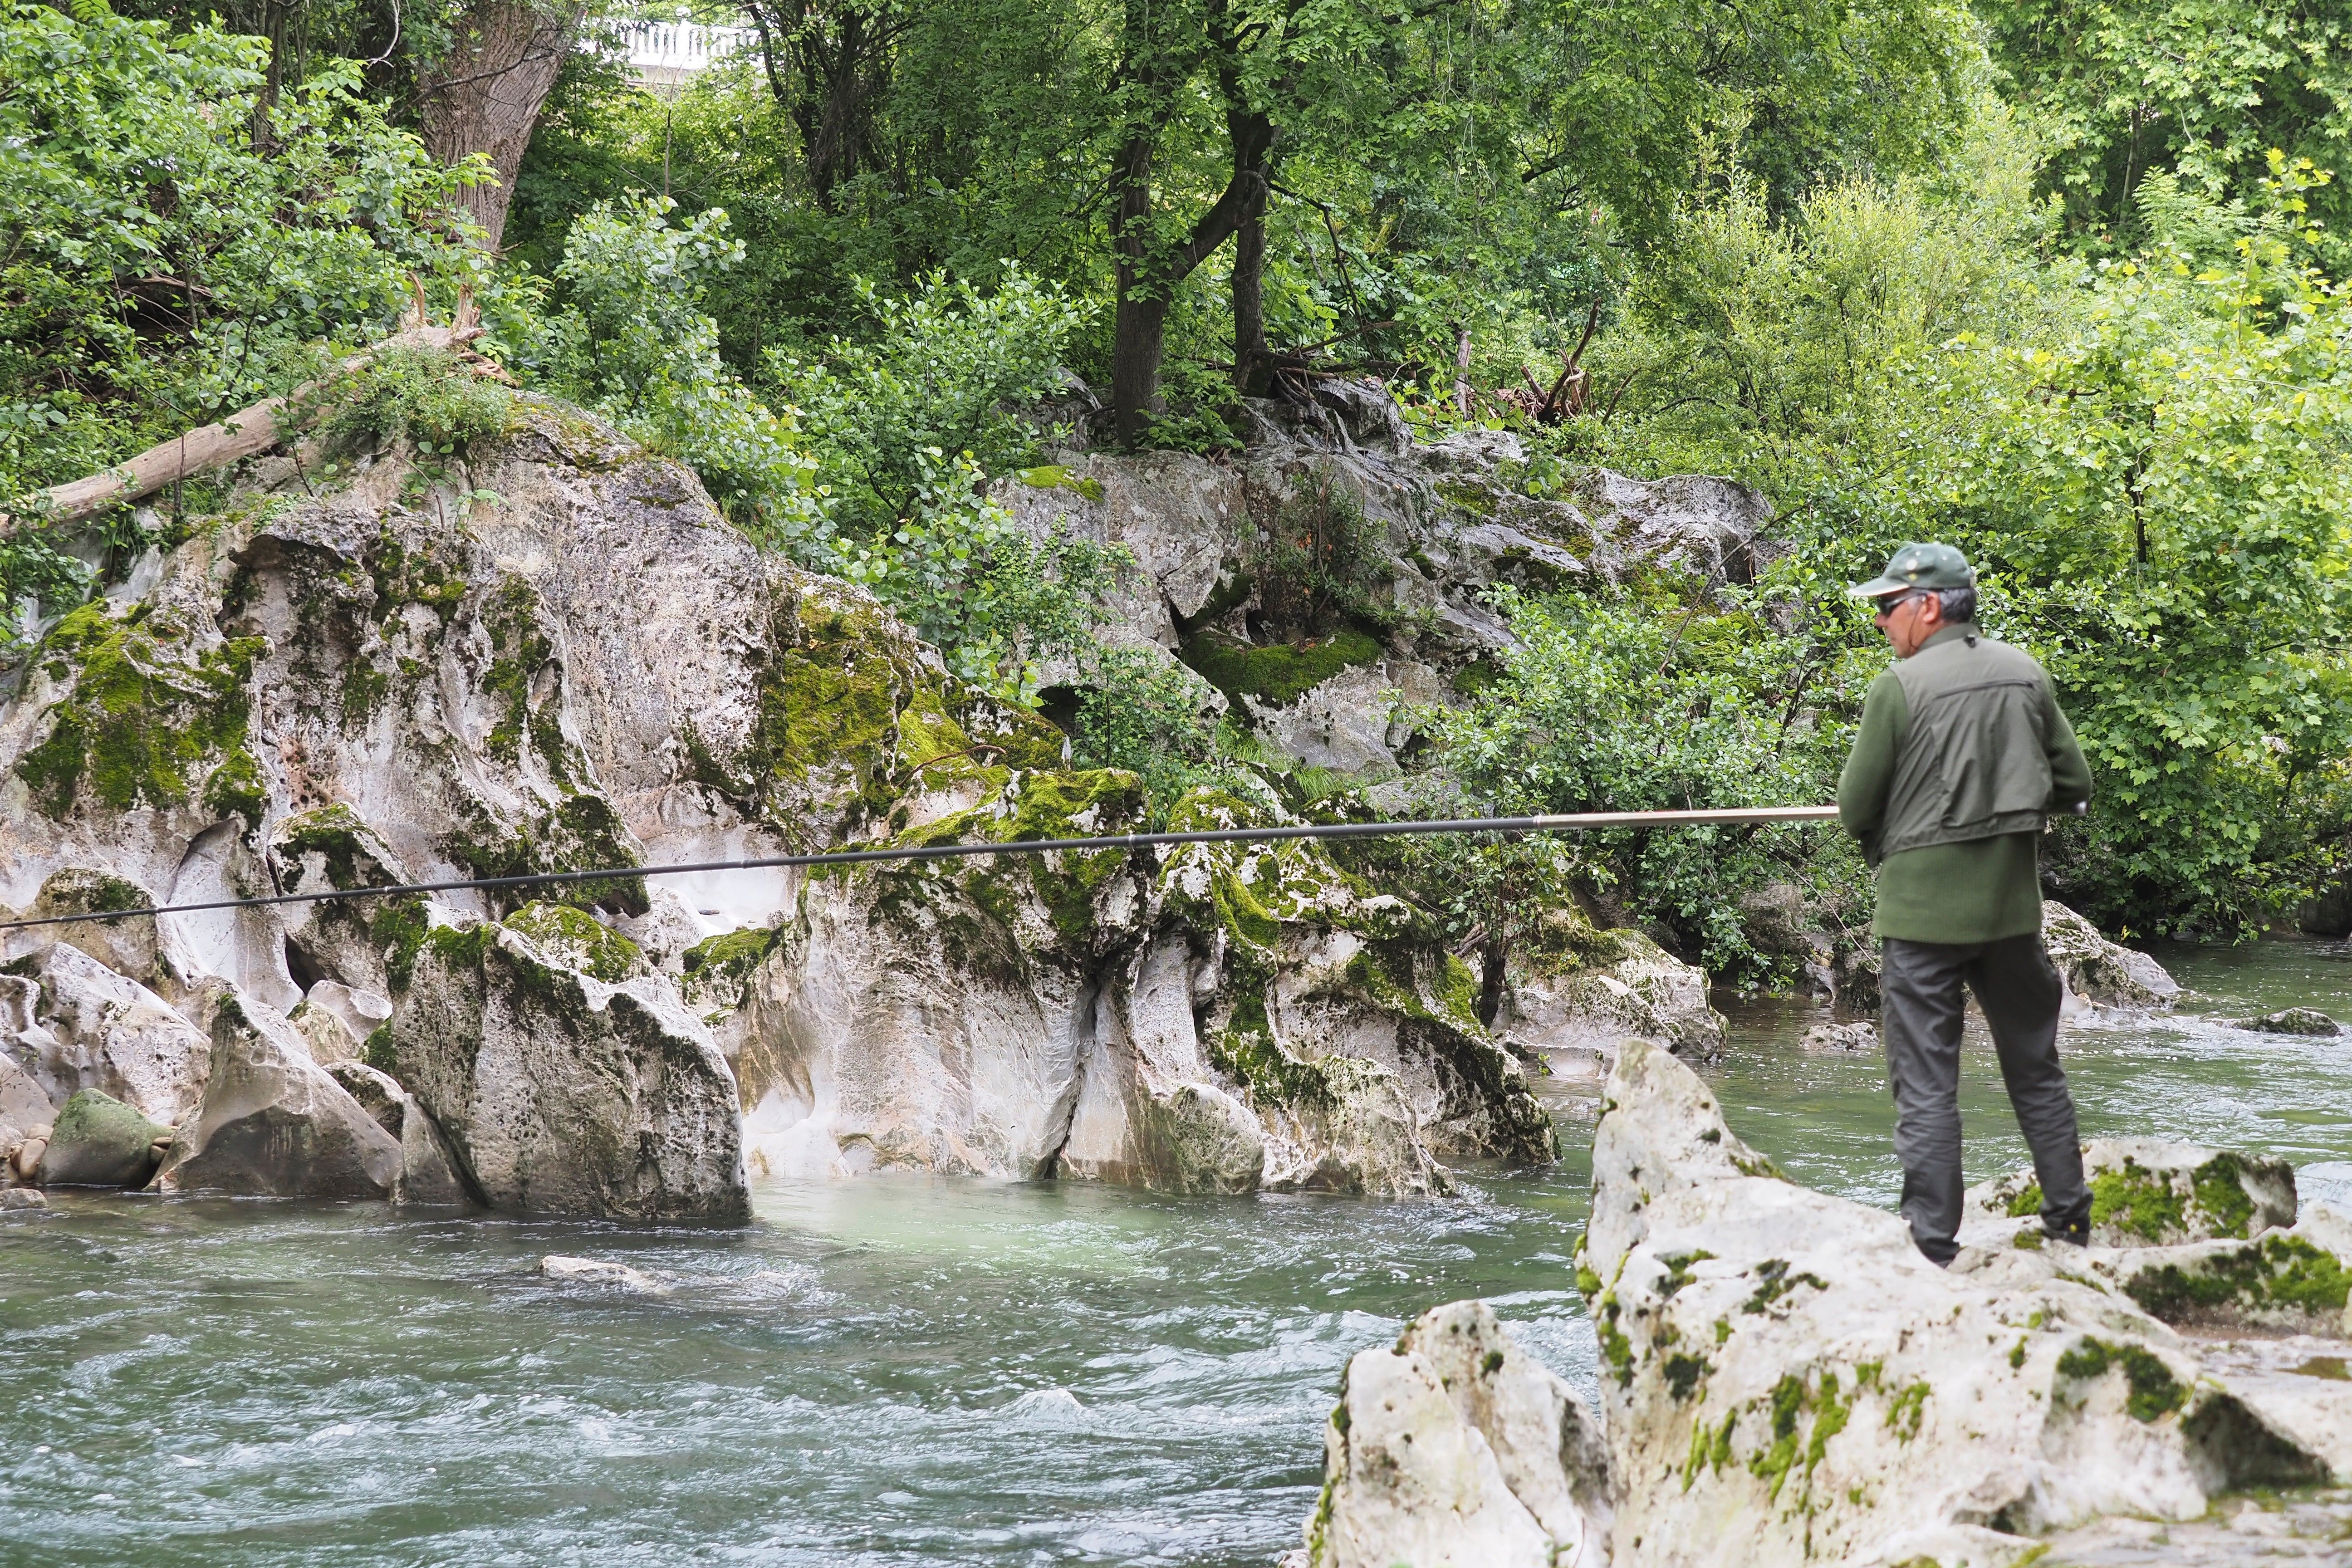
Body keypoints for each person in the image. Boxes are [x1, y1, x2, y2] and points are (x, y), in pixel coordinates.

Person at [1835, 543, 2096, 1263]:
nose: (1883, 622)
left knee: (1925, 1082)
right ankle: (2069, 1220)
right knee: (2035, 1065)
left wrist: (1892, 825)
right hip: (2012, 917)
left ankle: (1933, 1247)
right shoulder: (2025, 674)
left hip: (1919, 924)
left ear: (1927, 607)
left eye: (1889, 608)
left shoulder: (1900, 687)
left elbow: (1857, 806)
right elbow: (2074, 783)